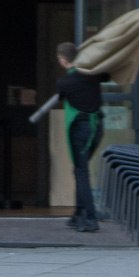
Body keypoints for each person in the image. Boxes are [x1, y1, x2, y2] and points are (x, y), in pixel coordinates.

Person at [54, 42, 106, 233]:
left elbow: (60, 97)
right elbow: (107, 75)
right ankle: (78, 214)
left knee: (81, 171)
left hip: (81, 129)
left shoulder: (64, 83)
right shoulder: (92, 75)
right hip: (97, 127)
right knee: (79, 170)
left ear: (62, 59)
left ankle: (90, 217)